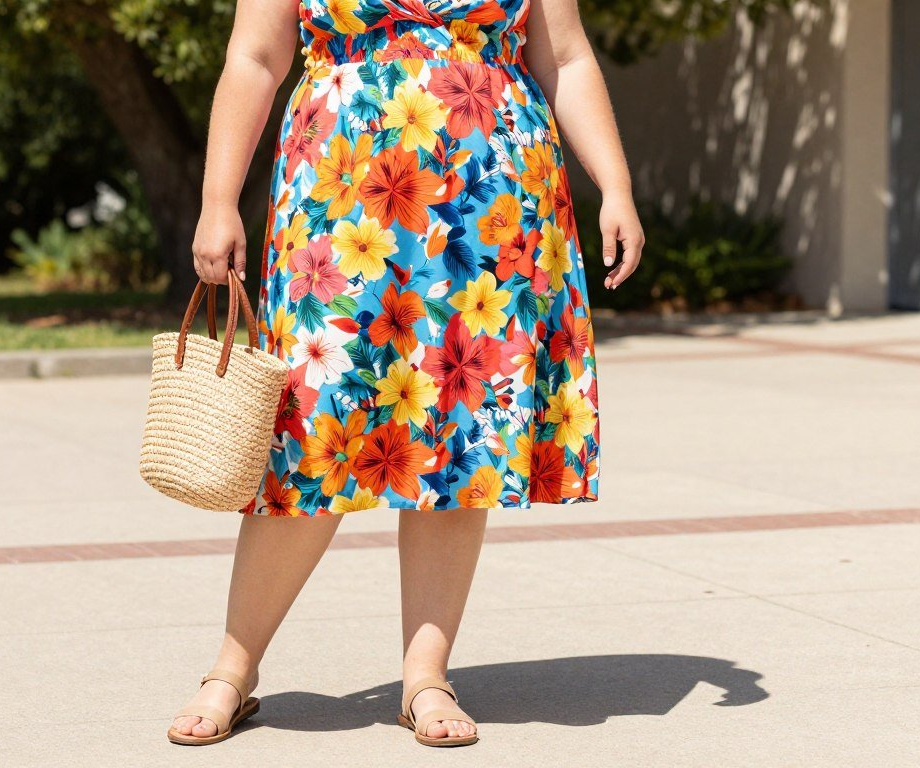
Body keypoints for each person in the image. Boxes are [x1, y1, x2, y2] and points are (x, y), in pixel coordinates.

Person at [168, 0, 643, 748]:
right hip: (339, 196)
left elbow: (567, 57)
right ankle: (233, 666)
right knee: (311, 433)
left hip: (490, 198)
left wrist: (614, 184)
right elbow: (254, 58)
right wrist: (218, 200)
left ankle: (426, 676)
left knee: (457, 433)